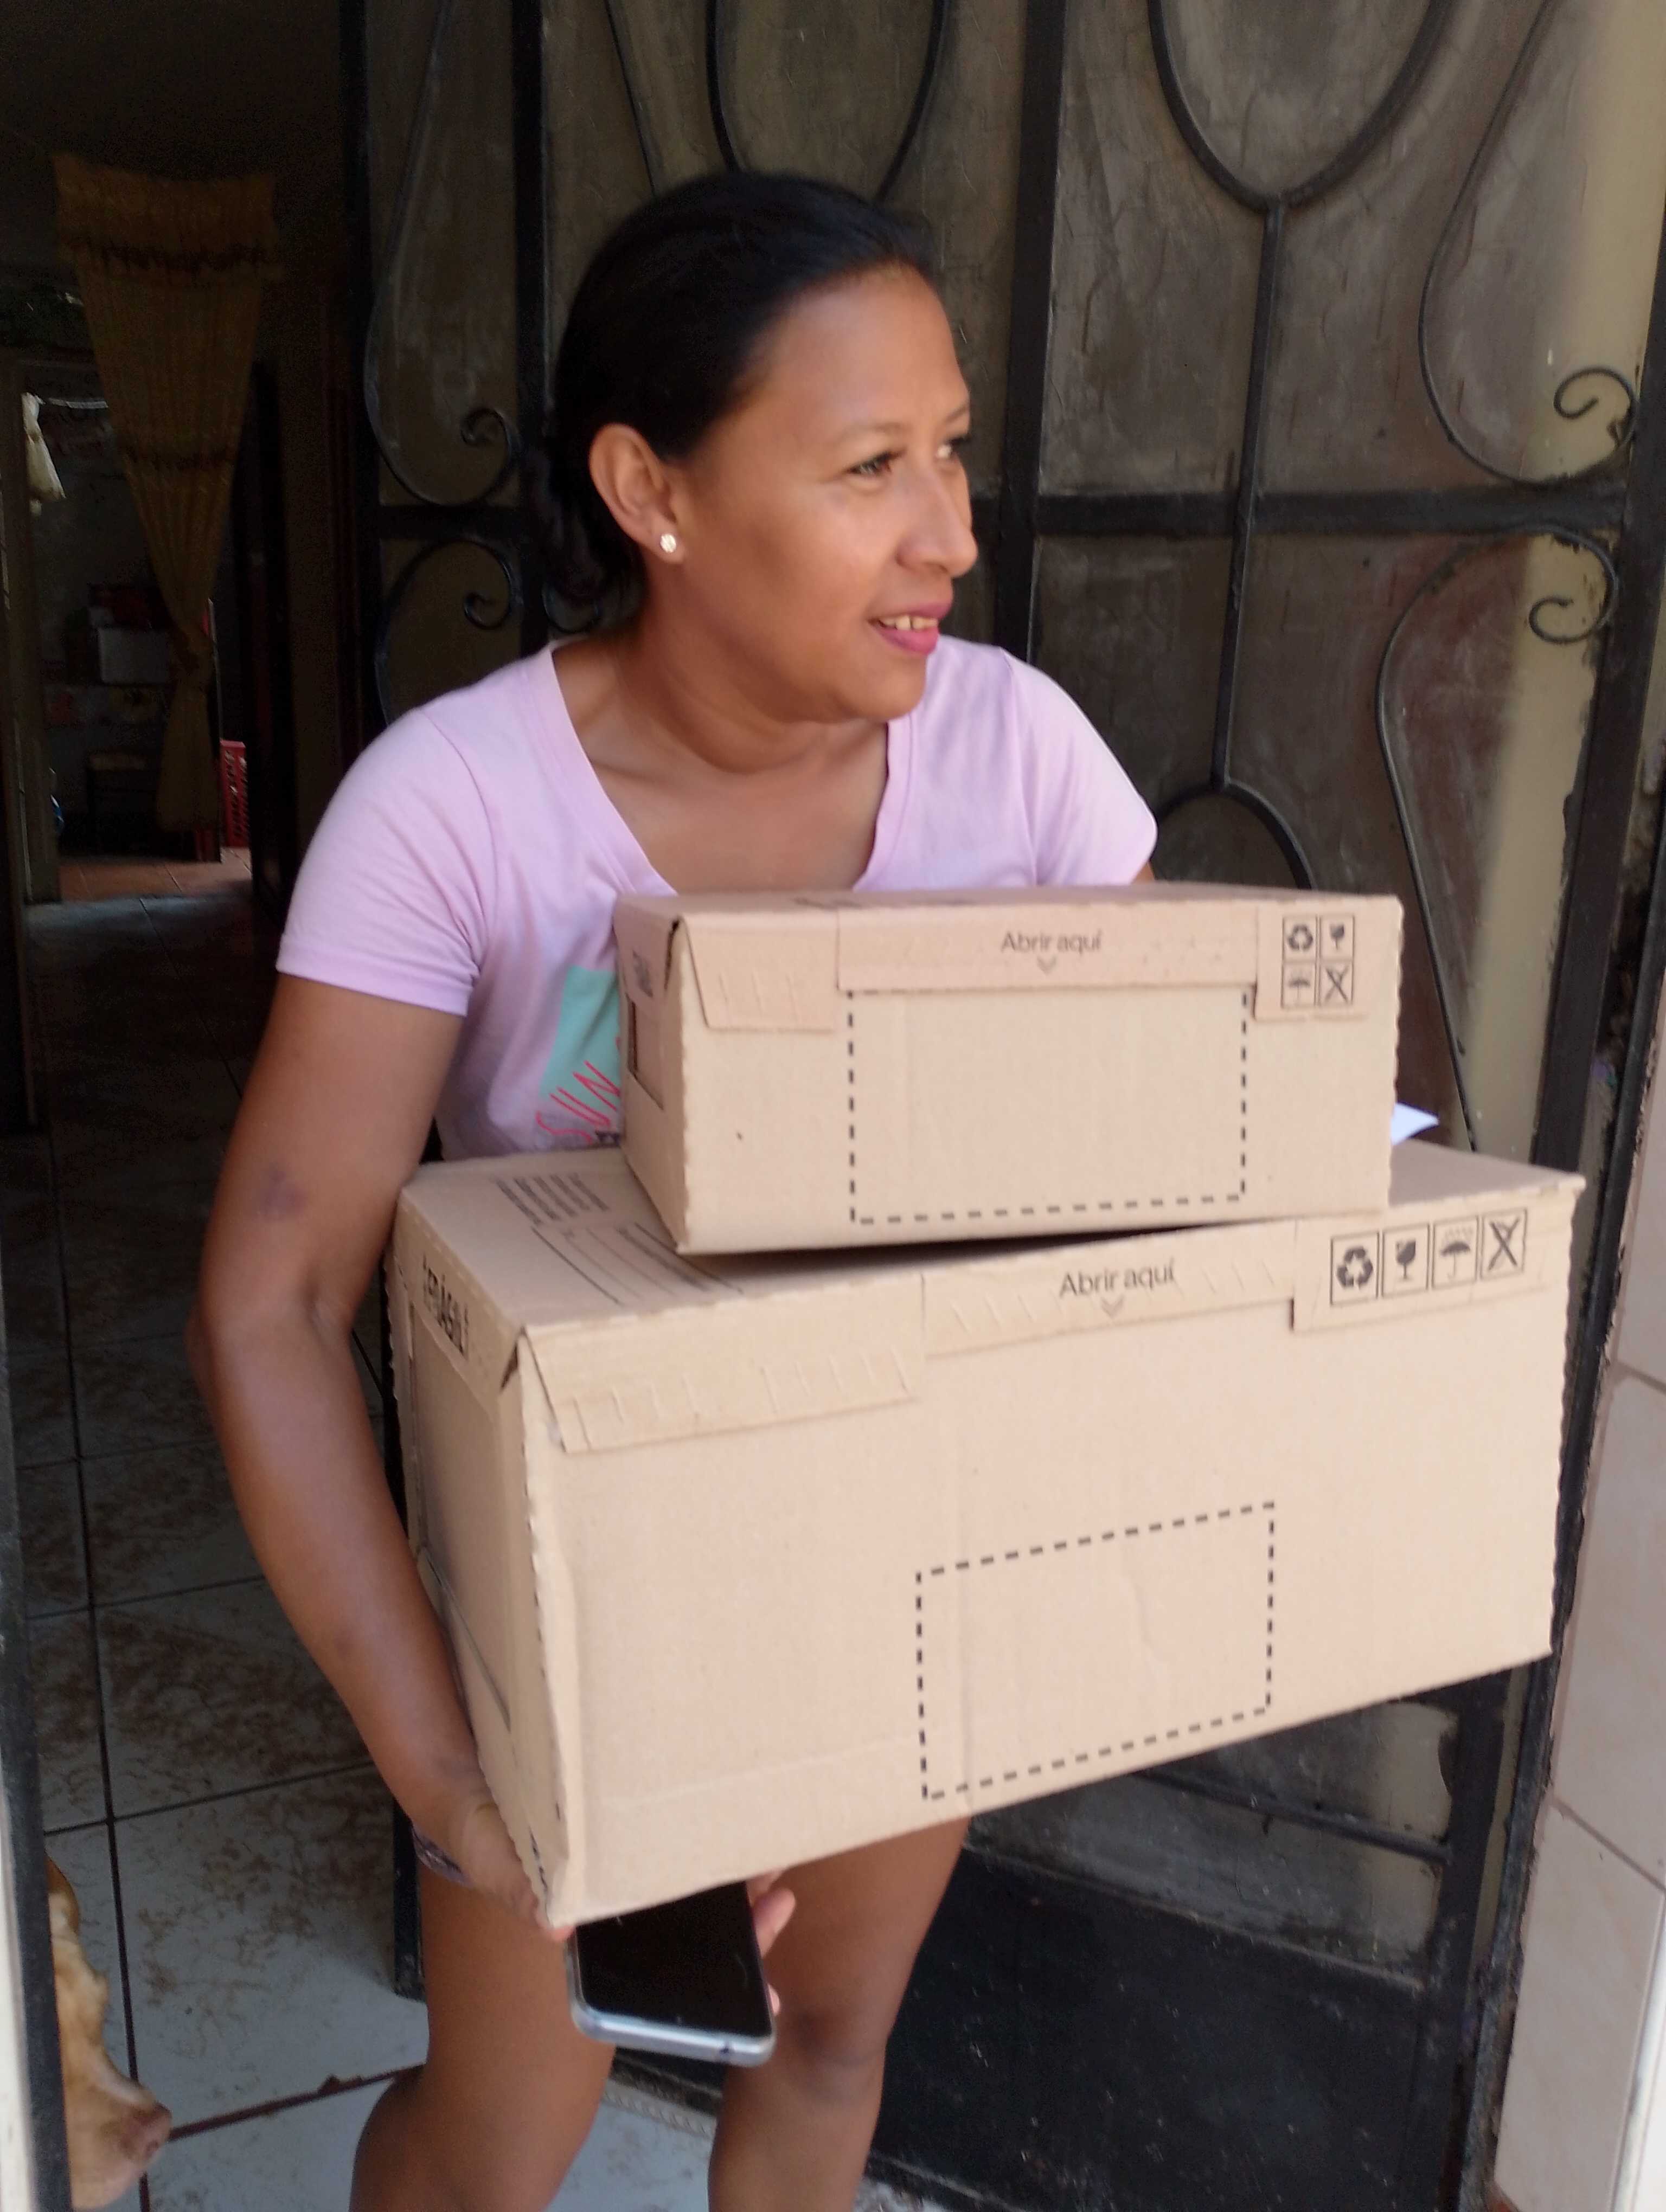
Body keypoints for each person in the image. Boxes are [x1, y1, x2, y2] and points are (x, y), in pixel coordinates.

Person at [190, 170, 1156, 2212]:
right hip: (572, 1607)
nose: (951, 532)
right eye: (873, 466)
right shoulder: (459, 809)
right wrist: (451, 1779)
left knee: (827, 2042)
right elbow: (271, 1303)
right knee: (501, 2132)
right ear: (655, 490)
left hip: (902, 1568)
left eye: (954, 449)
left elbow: (1169, 1150)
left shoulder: (1023, 767)